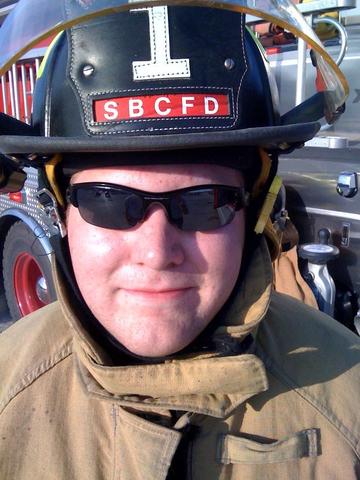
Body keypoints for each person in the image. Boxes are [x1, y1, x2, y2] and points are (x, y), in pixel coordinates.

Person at [0, 1, 359, 479]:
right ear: (61, 209)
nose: (156, 251)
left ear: (254, 212)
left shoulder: (350, 405)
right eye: (108, 202)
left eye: (203, 203)